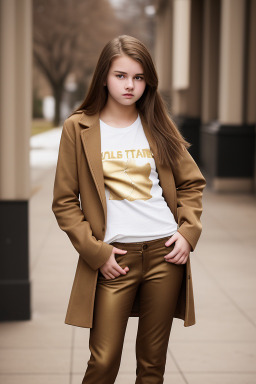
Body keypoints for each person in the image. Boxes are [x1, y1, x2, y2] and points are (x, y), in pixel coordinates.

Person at [52, 35, 206, 384]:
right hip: (113, 259)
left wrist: (187, 232)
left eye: (138, 78)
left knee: (152, 365)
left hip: (165, 255)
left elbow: (191, 184)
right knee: (103, 361)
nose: (130, 85)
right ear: (104, 76)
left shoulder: (158, 124)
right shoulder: (78, 128)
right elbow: (64, 202)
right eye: (121, 75)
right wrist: (97, 253)